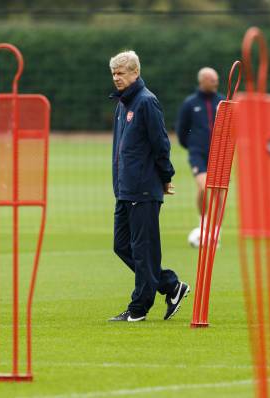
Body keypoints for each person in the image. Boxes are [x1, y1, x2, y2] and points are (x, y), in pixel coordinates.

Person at [107, 50, 190, 322]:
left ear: (135, 73)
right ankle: (170, 285)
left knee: (143, 249)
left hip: (143, 188)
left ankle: (138, 308)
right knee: (121, 246)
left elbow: (160, 143)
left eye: (121, 73)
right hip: (125, 189)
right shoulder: (123, 104)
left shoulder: (146, 102)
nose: (117, 78)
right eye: (114, 74)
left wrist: (166, 176)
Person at [175, 67, 225, 232]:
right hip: (198, 153)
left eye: (216, 79)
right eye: (212, 80)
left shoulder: (223, 102)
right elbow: (182, 130)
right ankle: (203, 221)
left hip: (219, 153)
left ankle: (216, 230)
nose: (216, 82)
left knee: (219, 192)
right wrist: (191, 146)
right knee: (204, 187)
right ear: (202, 81)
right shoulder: (190, 103)